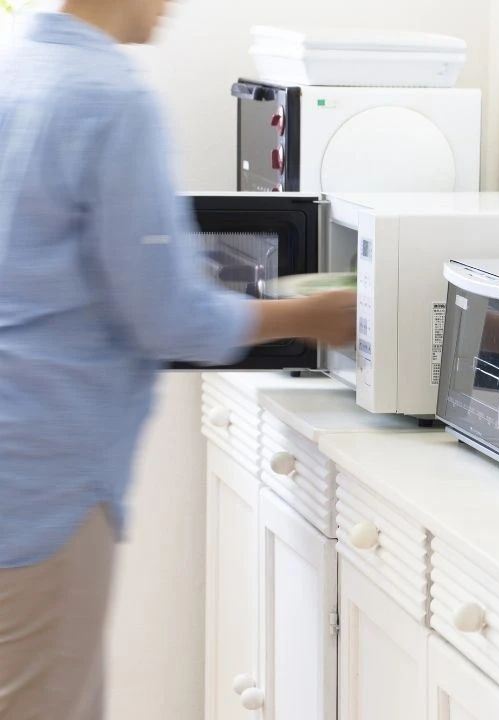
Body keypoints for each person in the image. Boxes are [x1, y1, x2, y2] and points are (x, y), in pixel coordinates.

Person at [0, 1, 357, 717]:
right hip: (45, 476)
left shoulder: (20, 72)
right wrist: (313, 316)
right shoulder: (112, 99)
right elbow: (168, 318)